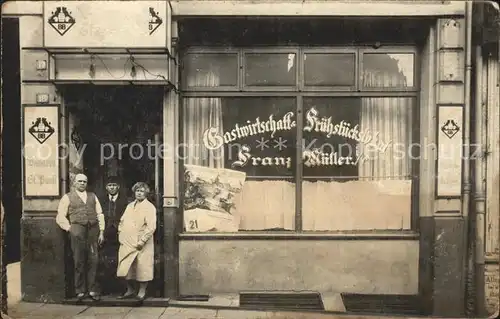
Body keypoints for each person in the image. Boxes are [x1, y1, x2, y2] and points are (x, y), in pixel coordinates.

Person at [56, 173, 105, 301]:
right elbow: (60, 216)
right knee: (79, 260)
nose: (82, 183)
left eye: (84, 181)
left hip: (93, 230)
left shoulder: (92, 196)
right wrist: (70, 228)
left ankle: (93, 289)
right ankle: (80, 290)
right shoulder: (67, 197)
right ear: (74, 183)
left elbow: (100, 214)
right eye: (80, 181)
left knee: (93, 260)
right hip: (77, 230)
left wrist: (101, 231)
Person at [116, 182, 157, 301]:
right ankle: (130, 290)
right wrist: (121, 234)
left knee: (142, 267)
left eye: (142, 191)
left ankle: (142, 291)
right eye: (137, 191)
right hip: (127, 241)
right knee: (126, 266)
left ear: (146, 193)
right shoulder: (129, 206)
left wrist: (142, 241)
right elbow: (122, 221)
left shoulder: (149, 207)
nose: (139, 193)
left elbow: (151, 227)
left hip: (141, 242)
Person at [97, 176, 129, 296]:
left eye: (114, 185)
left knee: (119, 260)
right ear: (106, 187)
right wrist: (101, 233)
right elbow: (99, 216)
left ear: (118, 187)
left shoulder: (125, 201)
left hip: (120, 234)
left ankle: (120, 289)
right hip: (105, 234)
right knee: (105, 261)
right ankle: (106, 288)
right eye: (110, 185)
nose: (112, 187)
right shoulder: (101, 201)